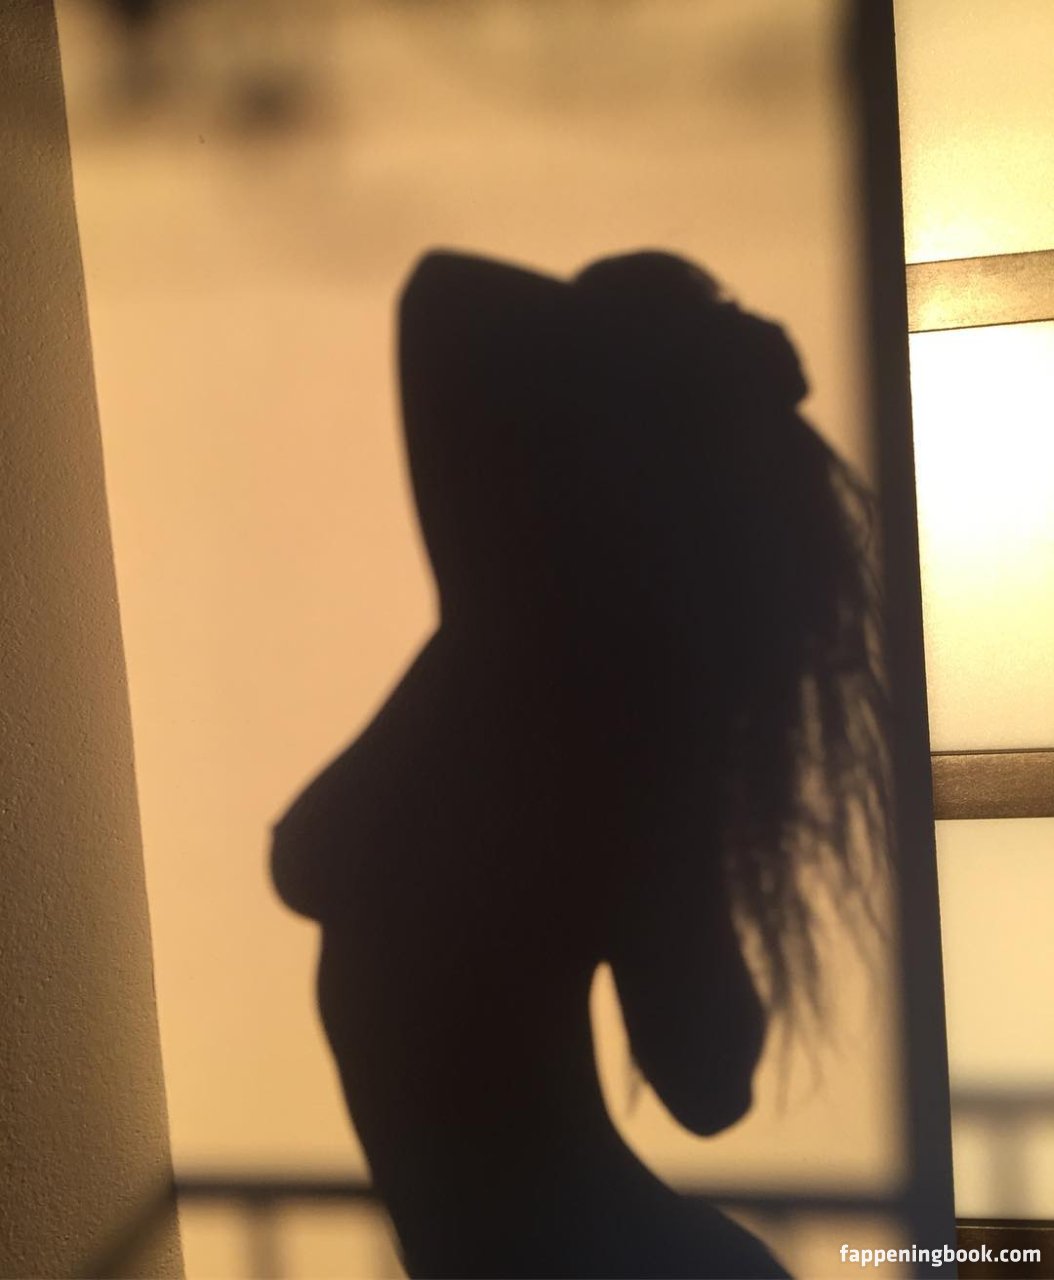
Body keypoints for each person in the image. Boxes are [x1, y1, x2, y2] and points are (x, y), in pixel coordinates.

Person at [271, 249, 889, 1279]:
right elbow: (446, 294)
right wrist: (697, 357)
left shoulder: (613, 725)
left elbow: (706, 1084)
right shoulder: (500, 643)